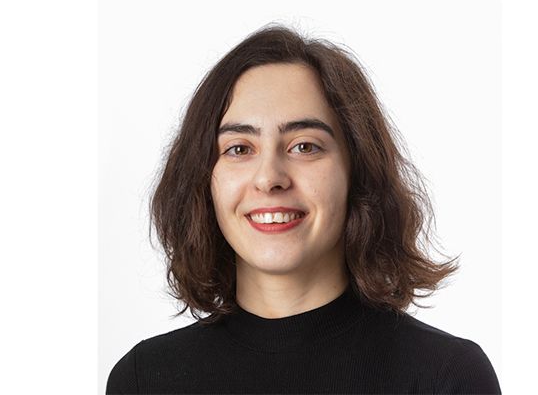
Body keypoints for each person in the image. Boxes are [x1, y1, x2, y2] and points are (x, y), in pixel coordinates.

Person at [106, 24, 501, 394]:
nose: (269, 178)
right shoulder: (143, 380)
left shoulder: (444, 377)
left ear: (358, 171)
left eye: (304, 146)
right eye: (239, 149)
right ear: (203, 180)